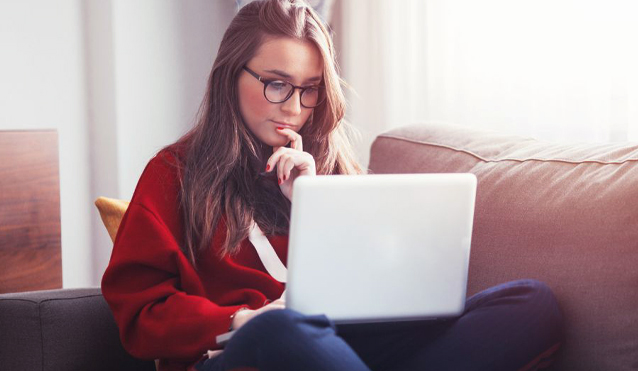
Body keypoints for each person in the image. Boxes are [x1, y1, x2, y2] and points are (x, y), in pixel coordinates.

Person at [101, 1, 564, 370]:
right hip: (250, 350)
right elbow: (141, 316)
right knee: (282, 330)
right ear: (230, 76)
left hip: (348, 344)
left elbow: (375, 280)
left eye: (310, 89)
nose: (294, 107)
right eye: (277, 84)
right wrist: (242, 319)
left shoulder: (329, 166)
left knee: (531, 302)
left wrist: (310, 201)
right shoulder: (174, 172)